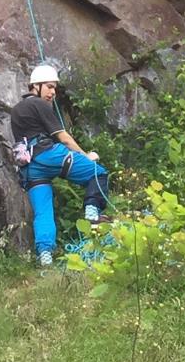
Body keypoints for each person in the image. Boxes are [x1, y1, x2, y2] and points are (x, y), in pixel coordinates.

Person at [10, 63, 110, 267]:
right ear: (35, 86)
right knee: (97, 174)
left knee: (43, 212)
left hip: (30, 167)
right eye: (49, 87)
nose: (53, 93)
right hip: (49, 155)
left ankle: (45, 258)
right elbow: (63, 137)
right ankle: (92, 213)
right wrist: (85, 156)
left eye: (54, 88)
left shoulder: (16, 111)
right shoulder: (39, 105)